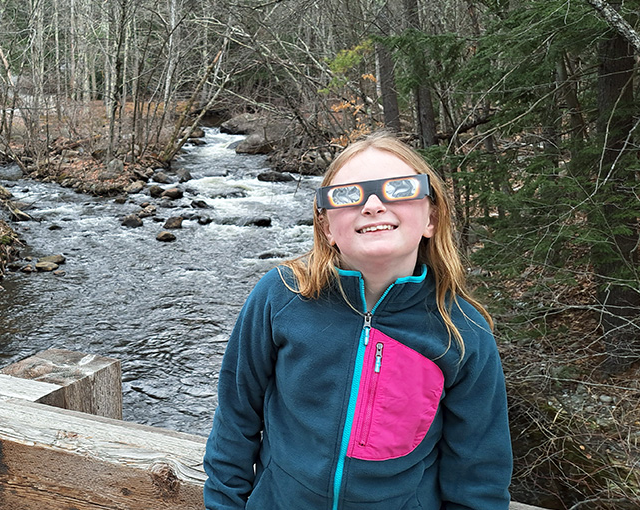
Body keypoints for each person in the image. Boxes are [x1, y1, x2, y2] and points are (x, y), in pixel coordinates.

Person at [203, 131, 513, 509]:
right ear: (327, 227)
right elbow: (236, 416)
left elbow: (479, 473)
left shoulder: (463, 331)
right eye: (348, 195)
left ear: (431, 216)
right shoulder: (281, 295)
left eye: (399, 188)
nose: (373, 205)